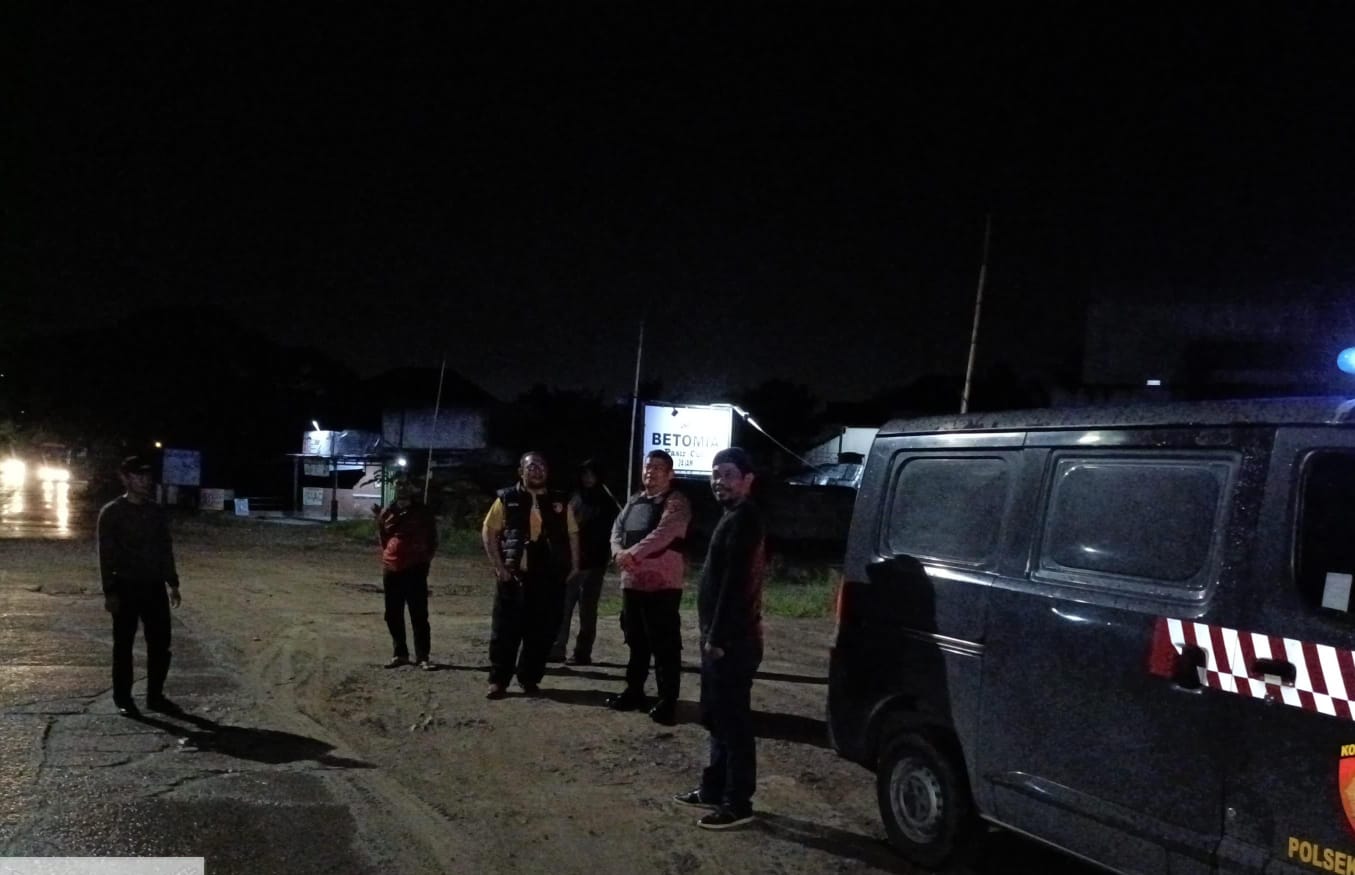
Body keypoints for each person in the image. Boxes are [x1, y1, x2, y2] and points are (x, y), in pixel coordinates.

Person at [673, 447, 765, 830]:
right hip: (719, 639)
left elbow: (736, 586)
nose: (719, 481)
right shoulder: (732, 516)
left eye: (728, 474)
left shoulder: (745, 519)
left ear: (747, 480)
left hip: (731, 643)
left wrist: (717, 637)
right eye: (715, 474)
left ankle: (737, 803)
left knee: (733, 723)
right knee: (715, 717)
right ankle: (713, 788)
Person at [481, 451, 580, 699]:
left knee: (543, 631)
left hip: (549, 577)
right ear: (521, 472)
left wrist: (575, 565)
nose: (537, 471)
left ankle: (530, 678)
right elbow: (489, 532)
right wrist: (499, 567)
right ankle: (499, 680)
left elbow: (572, 534)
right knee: (505, 631)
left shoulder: (560, 500)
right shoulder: (507, 498)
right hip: (515, 576)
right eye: (531, 466)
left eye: (541, 466)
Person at [604, 450, 692, 725]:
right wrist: (618, 552)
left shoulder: (677, 502)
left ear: (670, 474)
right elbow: (617, 530)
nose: (650, 472)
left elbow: (663, 534)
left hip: (662, 583)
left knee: (665, 645)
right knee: (635, 640)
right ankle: (634, 691)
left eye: (657, 468)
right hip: (633, 582)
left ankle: (667, 700)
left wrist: (631, 555)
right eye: (647, 467)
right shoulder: (634, 500)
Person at [97, 453, 183, 717]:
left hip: (153, 587)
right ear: (125, 478)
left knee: (160, 644)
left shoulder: (155, 512)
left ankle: (155, 696)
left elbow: (165, 548)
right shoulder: (112, 513)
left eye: (147, 476)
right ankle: (123, 697)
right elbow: (106, 555)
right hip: (125, 587)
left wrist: (172, 582)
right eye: (138, 476)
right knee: (123, 646)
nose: (145, 481)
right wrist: (110, 590)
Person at [550, 459, 620, 666]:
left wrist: (607, 556)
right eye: (585, 474)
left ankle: (582, 652)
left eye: (592, 474)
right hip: (572, 563)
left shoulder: (607, 503)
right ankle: (557, 648)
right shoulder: (575, 498)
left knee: (587, 610)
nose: (588, 478)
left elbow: (612, 532)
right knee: (564, 607)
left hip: (594, 564)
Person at [375, 474, 439, 670]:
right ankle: (400, 653)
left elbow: (432, 539)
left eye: (405, 485)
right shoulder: (387, 512)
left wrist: (425, 560)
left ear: (412, 488)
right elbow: (383, 537)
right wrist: (390, 555)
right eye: (398, 485)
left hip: (416, 567)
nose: (402, 488)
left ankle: (423, 656)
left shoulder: (422, 512)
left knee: (418, 613)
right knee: (392, 613)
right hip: (392, 568)